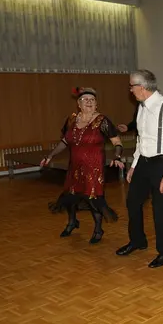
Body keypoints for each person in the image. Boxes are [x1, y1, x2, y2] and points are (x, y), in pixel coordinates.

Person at [116, 70, 163, 268]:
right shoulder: (141, 107)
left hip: (162, 164)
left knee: (160, 210)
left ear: (142, 87)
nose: (130, 90)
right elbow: (141, 140)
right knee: (132, 202)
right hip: (143, 163)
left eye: (132, 86)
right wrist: (134, 165)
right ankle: (137, 241)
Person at [42, 87, 124, 244]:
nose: (89, 102)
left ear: (96, 104)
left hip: (94, 167)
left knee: (93, 198)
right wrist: (50, 155)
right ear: (78, 104)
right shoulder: (71, 120)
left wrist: (117, 156)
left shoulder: (102, 121)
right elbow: (65, 141)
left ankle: (98, 229)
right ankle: (72, 222)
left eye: (92, 100)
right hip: (75, 166)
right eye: (85, 100)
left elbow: (117, 142)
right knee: (71, 195)